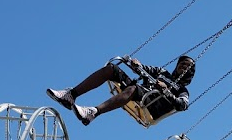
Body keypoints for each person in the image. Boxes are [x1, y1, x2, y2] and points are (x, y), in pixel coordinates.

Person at [47, 54, 196, 127]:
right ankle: (71, 95)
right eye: (182, 64)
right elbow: (145, 69)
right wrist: (134, 63)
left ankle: (94, 112)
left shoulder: (182, 90)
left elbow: (182, 105)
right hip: (138, 91)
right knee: (112, 69)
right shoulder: (162, 72)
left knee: (134, 89)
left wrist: (167, 92)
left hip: (149, 106)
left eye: (187, 66)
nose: (183, 67)